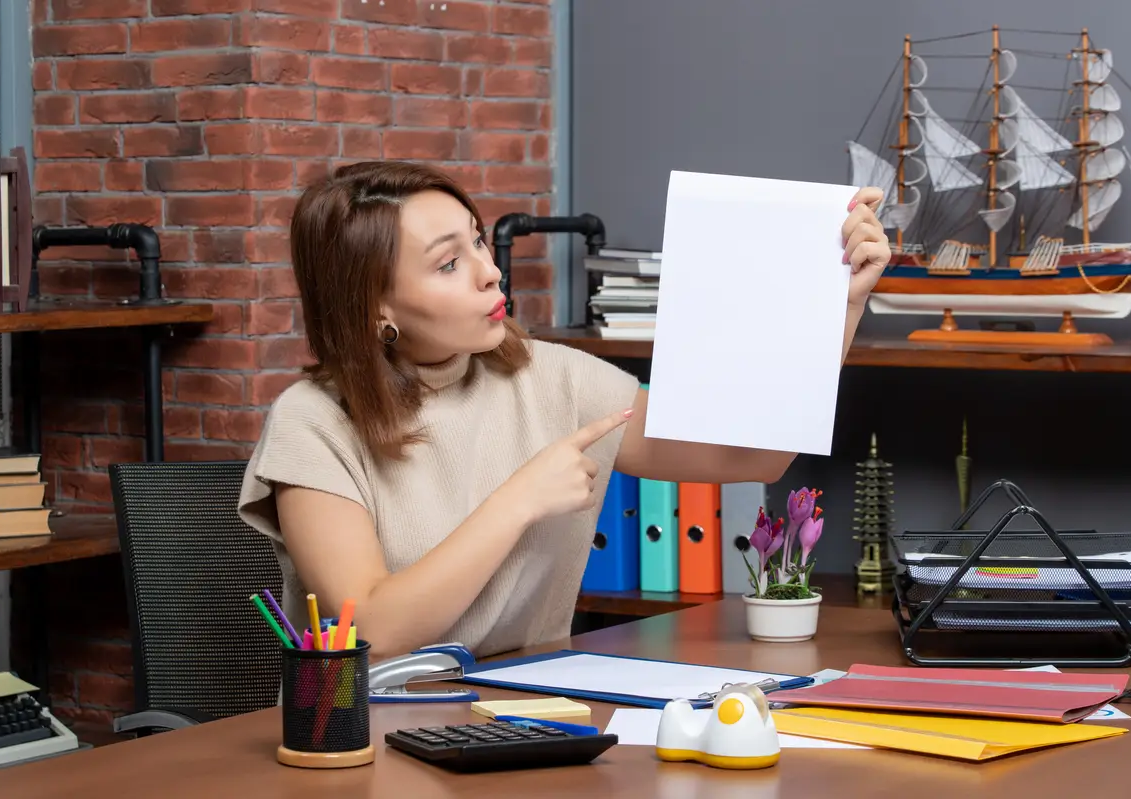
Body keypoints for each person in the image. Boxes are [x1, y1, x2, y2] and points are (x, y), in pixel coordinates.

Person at [238, 160, 890, 658]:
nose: (489, 272)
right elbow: (371, 632)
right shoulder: (313, 422)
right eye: (448, 263)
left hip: (534, 720)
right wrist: (518, 499)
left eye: (478, 243)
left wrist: (843, 302)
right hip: (365, 740)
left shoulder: (553, 378)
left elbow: (758, 454)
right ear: (376, 305)